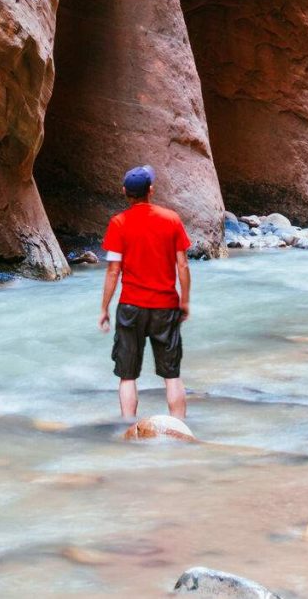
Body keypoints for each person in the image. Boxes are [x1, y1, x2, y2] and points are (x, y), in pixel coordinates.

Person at [97, 164, 190, 422]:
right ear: (151, 190)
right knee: (171, 375)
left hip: (130, 307)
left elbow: (113, 271)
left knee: (127, 375)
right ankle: (179, 429)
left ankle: (128, 427)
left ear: (125, 191)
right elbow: (182, 264)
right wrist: (185, 301)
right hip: (165, 306)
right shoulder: (171, 219)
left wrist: (104, 308)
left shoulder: (118, 224)